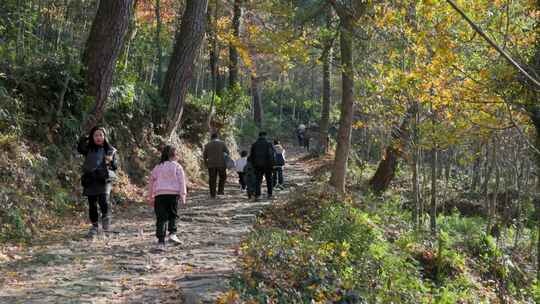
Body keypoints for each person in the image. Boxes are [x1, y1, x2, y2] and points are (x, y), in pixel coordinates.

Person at [77, 126, 118, 238]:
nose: (98, 137)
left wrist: (111, 162)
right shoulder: (89, 149)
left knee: (104, 201)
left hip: (103, 179)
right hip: (90, 179)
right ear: (92, 137)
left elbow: (115, 166)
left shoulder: (110, 150)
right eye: (96, 135)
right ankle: (95, 226)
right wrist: (86, 136)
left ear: (105, 137)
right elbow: (80, 147)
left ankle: (106, 224)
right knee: (92, 205)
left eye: (101, 135)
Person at [147, 145, 187, 251]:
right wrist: (183, 195)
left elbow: (151, 181)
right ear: (174, 155)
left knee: (161, 218)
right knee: (173, 215)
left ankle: (161, 241)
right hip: (173, 195)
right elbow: (182, 181)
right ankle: (172, 234)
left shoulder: (157, 167)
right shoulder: (177, 167)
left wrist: (150, 196)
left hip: (159, 195)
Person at [248, 131, 275, 200]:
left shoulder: (254, 144)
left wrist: (253, 165)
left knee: (258, 180)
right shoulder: (269, 144)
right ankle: (270, 194)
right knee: (269, 179)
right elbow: (271, 155)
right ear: (265, 136)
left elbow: (251, 156)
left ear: (259, 136)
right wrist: (273, 165)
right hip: (267, 165)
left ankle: (258, 195)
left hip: (257, 165)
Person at [203, 133, 230, 198]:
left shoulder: (207, 145)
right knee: (223, 177)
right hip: (221, 164)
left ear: (211, 138)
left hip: (211, 165)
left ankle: (213, 194)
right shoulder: (222, 143)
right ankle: (220, 191)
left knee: (212, 179)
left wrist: (206, 163)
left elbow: (204, 156)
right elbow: (227, 153)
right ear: (217, 137)